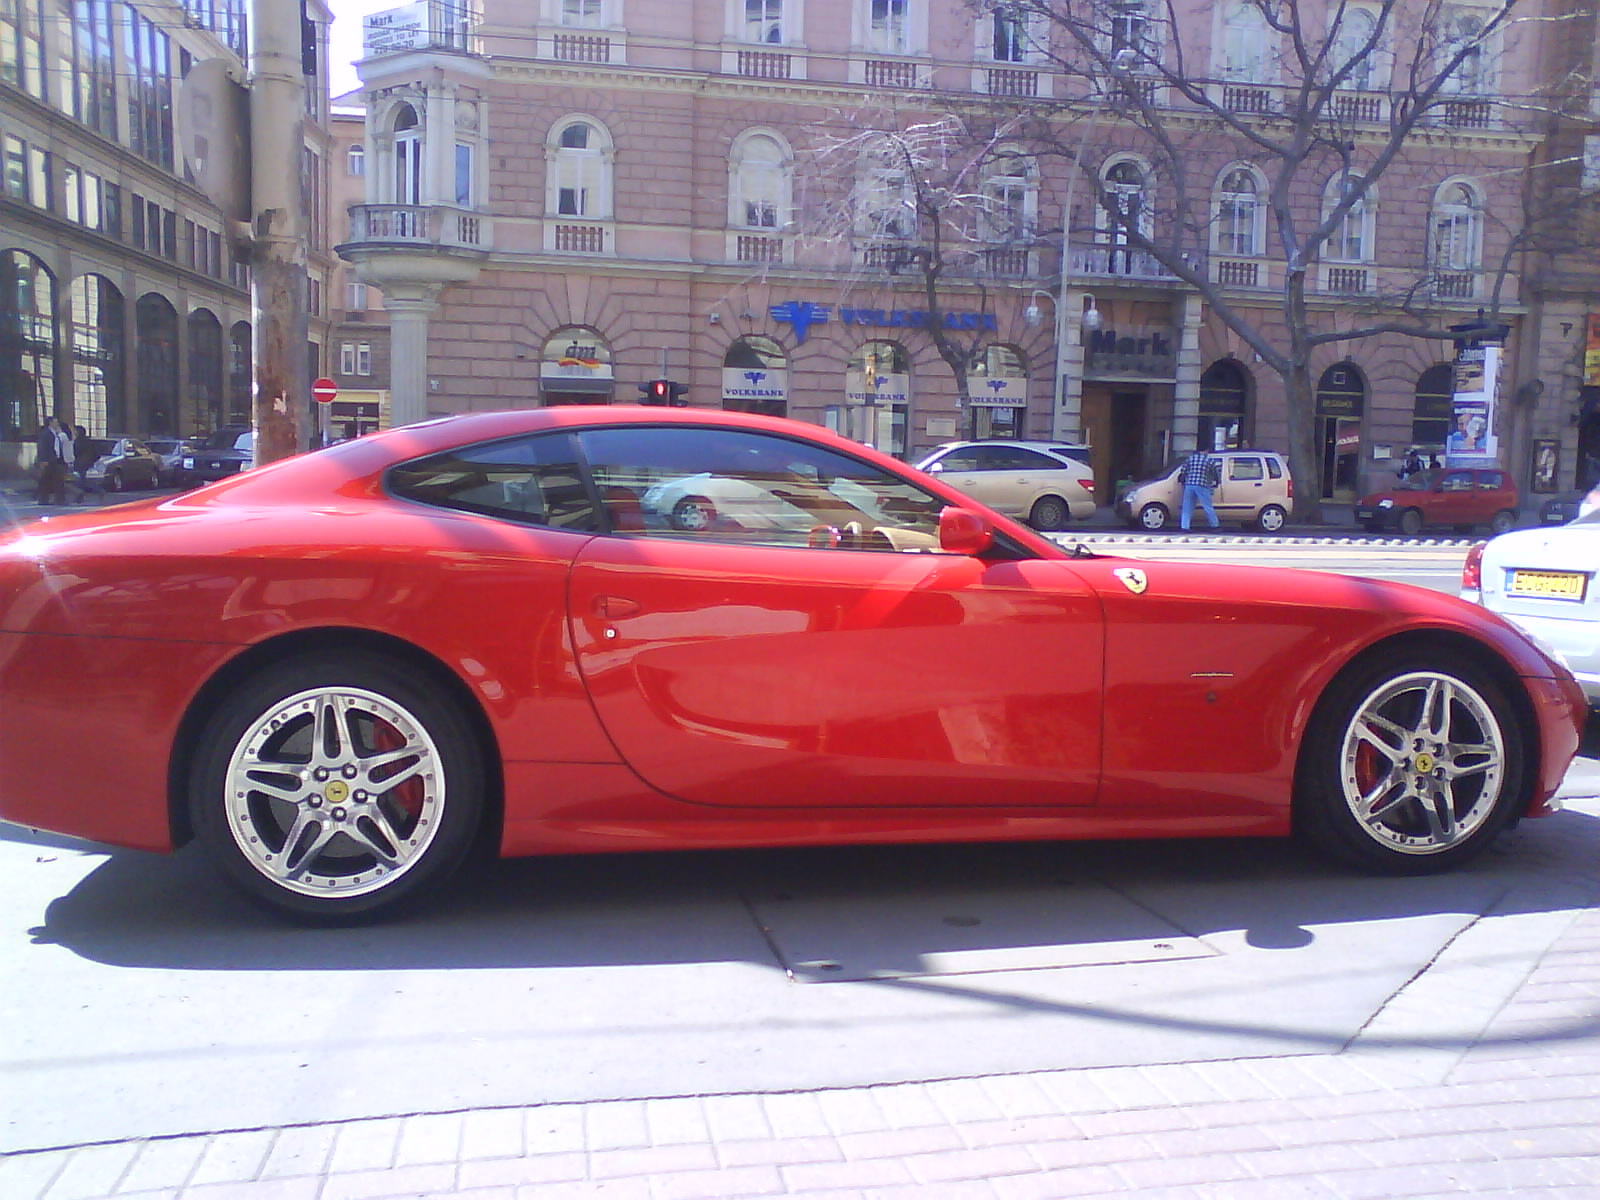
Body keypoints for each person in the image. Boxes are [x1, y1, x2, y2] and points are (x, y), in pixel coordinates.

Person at [1178, 448, 1221, 532]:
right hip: (1202, 485)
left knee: (1187, 506)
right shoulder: (1209, 460)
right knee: (1207, 506)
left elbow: (1183, 471)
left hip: (1189, 485)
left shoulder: (1190, 458)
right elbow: (1216, 473)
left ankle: (1184, 527)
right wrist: (1217, 481)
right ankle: (1215, 525)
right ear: (1206, 451)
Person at [33, 416, 72, 505]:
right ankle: (45, 499)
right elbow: (42, 447)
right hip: (48, 460)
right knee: (47, 481)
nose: (57, 424)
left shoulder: (55, 433)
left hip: (55, 459)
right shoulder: (46, 433)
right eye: (55, 422)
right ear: (50, 423)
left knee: (56, 480)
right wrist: (43, 460)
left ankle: (58, 500)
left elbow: (57, 446)